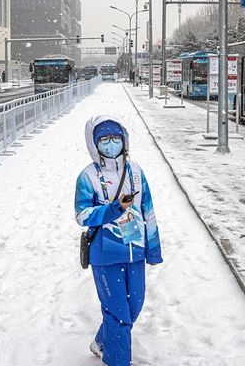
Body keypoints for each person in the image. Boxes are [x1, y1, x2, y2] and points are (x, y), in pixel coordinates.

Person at [74, 116, 162, 366]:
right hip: (105, 254)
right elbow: (82, 215)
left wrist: (153, 249)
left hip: (136, 251)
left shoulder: (136, 171)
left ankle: (102, 342)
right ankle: (117, 360)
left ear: (124, 141)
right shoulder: (87, 176)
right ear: (94, 144)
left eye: (115, 138)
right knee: (119, 314)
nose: (110, 143)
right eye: (104, 139)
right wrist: (113, 210)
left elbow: (148, 210)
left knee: (133, 308)